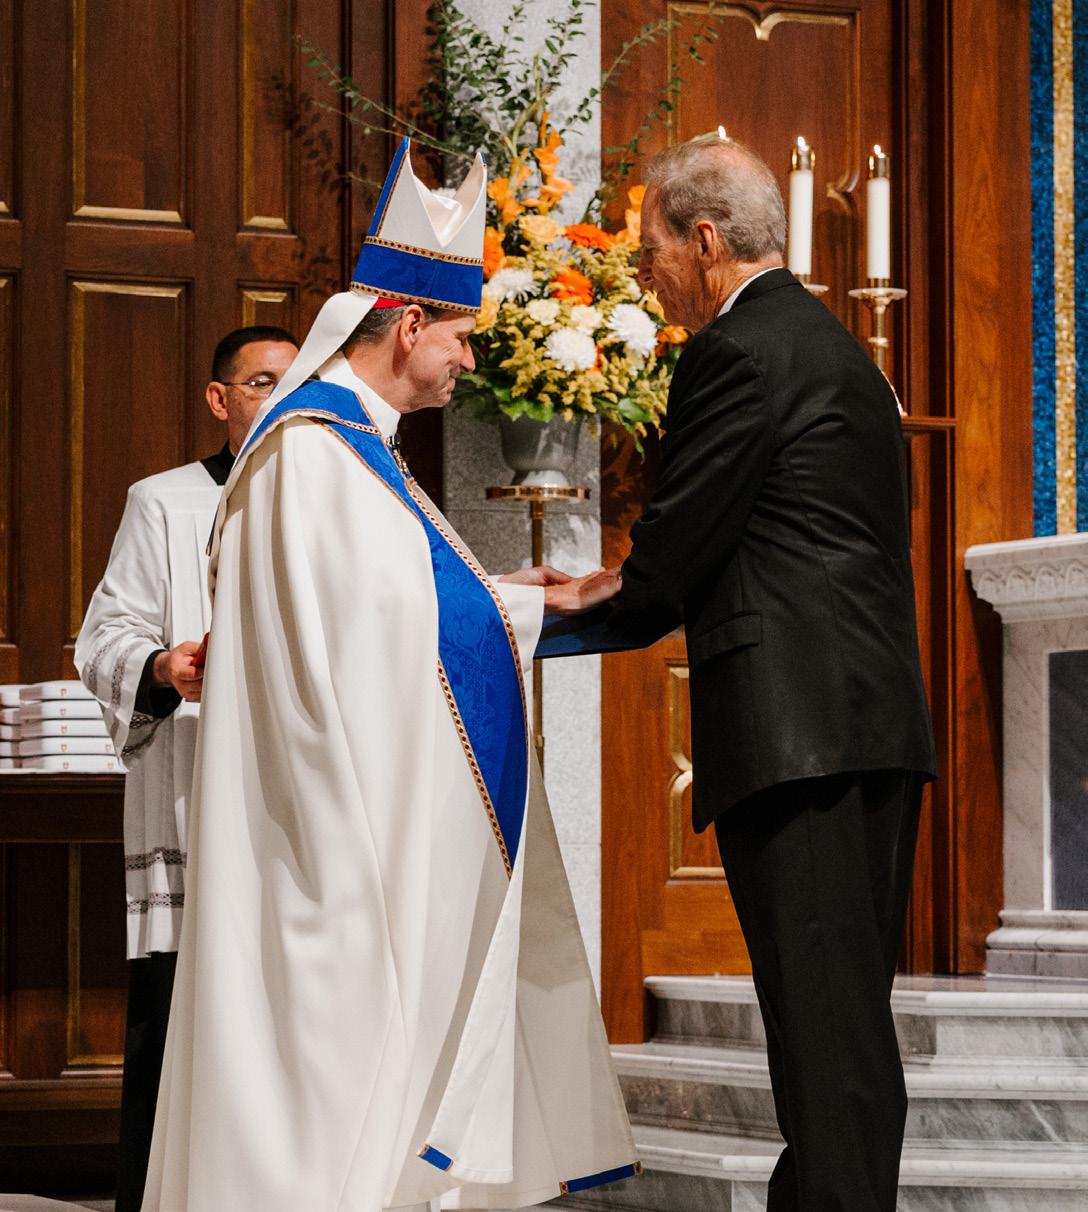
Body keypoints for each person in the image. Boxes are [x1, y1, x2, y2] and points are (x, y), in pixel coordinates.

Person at [142, 138, 637, 1212]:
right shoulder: (310, 452)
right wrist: (531, 608)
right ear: (408, 324)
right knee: (326, 1081)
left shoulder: (353, 449)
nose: (469, 360)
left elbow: (392, 602)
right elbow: (375, 627)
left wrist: (510, 598)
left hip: (350, 804)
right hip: (320, 830)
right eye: (460, 336)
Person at [612, 136, 937, 1211]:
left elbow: (673, 555)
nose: (647, 274)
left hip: (799, 736)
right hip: (865, 725)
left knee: (825, 1041)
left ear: (704, 240)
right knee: (838, 1028)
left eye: (652, 250)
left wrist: (572, 606)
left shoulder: (736, 351)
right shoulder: (840, 351)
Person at [74, 324, 298, 1212]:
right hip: (194, 792)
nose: (279, 399)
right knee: (175, 1016)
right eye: (261, 382)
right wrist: (165, 665)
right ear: (219, 398)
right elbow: (104, 637)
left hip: (295, 798)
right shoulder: (164, 503)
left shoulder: (335, 501)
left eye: (293, 384)